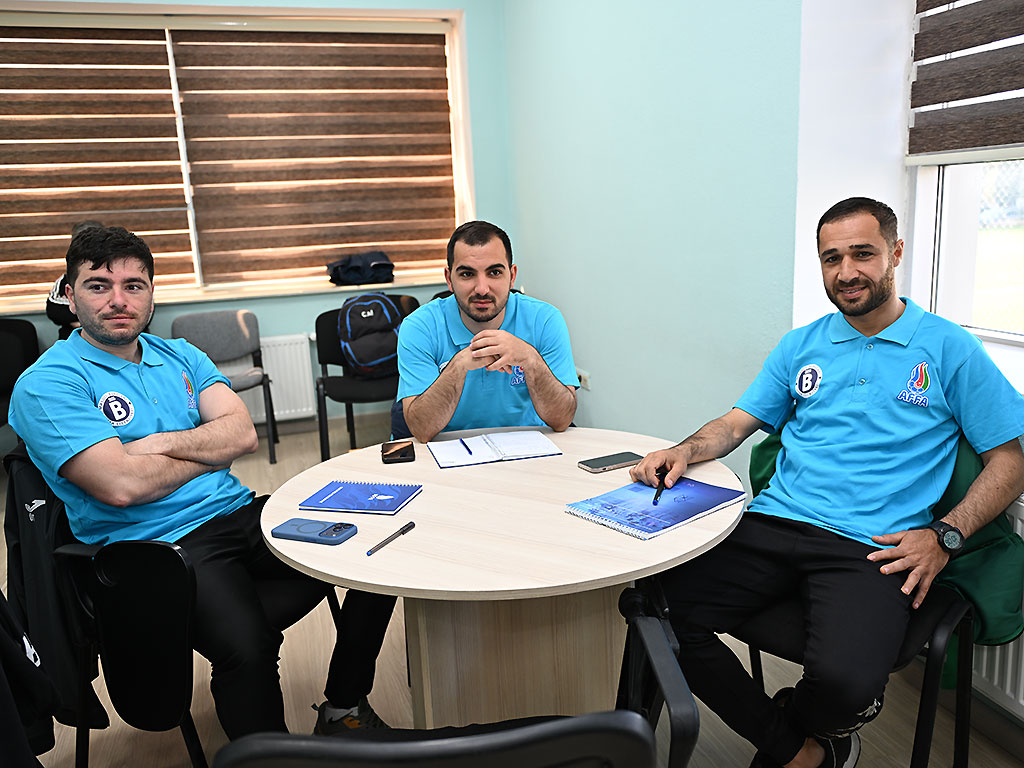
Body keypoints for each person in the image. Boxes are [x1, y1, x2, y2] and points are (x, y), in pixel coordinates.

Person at [630, 197, 1024, 768]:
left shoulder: (948, 347)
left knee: (846, 683)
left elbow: (1010, 462)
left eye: (863, 253)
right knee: (651, 608)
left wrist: (945, 535)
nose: (846, 272)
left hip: (872, 545)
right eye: (831, 258)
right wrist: (683, 450)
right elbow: (737, 423)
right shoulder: (801, 345)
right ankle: (799, 751)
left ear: (896, 253)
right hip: (774, 522)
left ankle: (803, 728)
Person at [9, 226, 390, 739]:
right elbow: (121, 487)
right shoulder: (48, 383)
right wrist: (206, 453)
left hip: (238, 512)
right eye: (98, 285)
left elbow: (242, 434)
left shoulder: (181, 354)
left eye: (133, 285)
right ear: (70, 297)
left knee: (379, 555)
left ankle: (342, 706)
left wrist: (154, 445)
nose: (118, 300)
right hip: (156, 546)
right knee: (248, 645)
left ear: (151, 293)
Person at [397, 220, 579, 442]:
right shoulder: (419, 327)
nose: (482, 289)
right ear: (449, 279)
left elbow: (562, 420)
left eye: (494, 272)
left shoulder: (544, 320)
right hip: (449, 450)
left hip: (529, 448)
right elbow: (422, 430)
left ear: (512, 276)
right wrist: (458, 366)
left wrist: (531, 359)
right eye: (467, 274)